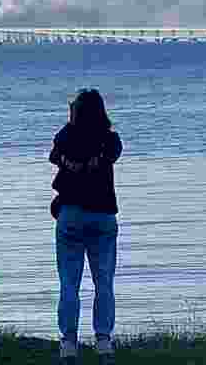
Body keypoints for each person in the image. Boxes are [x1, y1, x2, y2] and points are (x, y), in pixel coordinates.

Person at [50, 89, 123, 365]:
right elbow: (112, 154)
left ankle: (69, 342)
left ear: (75, 112)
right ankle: (103, 341)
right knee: (103, 282)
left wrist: (71, 122)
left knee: (69, 283)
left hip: (71, 213)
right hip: (103, 215)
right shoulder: (110, 139)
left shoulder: (67, 134)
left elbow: (54, 154)